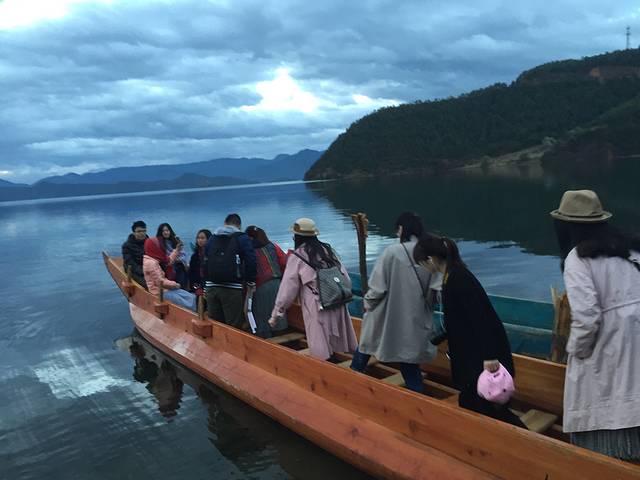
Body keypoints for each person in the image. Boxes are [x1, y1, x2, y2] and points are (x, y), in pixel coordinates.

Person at [550, 189, 640, 461]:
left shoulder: (578, 259)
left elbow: (587, 316)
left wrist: (576, 350)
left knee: (609, 412)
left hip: (612, 347)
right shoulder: (630, 250)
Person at [413, 234, 524, 427]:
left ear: (430, 259)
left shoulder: (458, 279)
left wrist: (490, 357)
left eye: (422, 263)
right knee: (472, 403)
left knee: (490, 409)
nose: (423, 268)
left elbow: (482, 319)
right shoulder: (451, 276)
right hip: (471, 358)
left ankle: (522, 439)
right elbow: (462, 318)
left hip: (480, 360)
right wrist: (442, 335)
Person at [350, 212, 439, 393]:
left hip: (387, 314)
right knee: (409, 361)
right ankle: (418, 396)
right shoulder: (430, 253)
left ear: (401, 229)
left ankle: (352, 381)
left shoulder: (392, 252)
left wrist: (367, 303)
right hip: (416, 318)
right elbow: (436, 293)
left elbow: (377, 288)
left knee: (366, 344)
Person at [268, 218, 357, 360]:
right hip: (336, 301)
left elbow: (287, 290)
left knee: (319, 343)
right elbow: (345, 279)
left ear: (297, 237)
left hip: (316, 305)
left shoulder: (297, 256)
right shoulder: (328, 250)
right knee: (334, 339)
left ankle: (322, 367)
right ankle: (336, 361)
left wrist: (276, 313)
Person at [205, 214, 257, 328]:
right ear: (239, 226)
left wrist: (205, 283)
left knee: (215, 324)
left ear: (225, 223)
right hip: (232, 288)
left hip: (211, 286)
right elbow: (251, 260)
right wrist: (251, 281)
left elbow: (204, 260)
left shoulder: (212, 238)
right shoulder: (242, 238)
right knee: (234, 325)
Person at [245, 225, 288, 338]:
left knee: (262, 320)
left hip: (259, 288)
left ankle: (266, 341)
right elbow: (284, 262)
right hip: (278, 285)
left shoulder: (248, 250)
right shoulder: (273, 246)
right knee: (278, 318)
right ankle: (284, 342)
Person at [143, 236, 196, 311]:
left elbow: (168, 261)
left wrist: (177, 250)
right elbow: (160, 282)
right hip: (159, 292)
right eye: (158, 246)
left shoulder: (154, 258)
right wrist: (175, 284)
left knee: (189, 296)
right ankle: (196, 312)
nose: (160, 248)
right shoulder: (151, 263)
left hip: (165, 289)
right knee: (186, 302)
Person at [157, 223, 189, 288]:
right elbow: (164, 258)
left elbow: (183, 253)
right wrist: (174, 258)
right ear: (160, 233)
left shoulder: (175, 241)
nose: (165, 232)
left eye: (167, 230)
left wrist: (180, 259)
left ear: (170, 231)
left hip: (179, 266)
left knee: (182, 269)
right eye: (163, 231)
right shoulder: (159, 244)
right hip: (168, 269)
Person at [122, 220, 148, 289]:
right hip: (133, 270)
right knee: (148, 284)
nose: (142, 233)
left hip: (148, 268)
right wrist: (143, 271)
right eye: (139, 231)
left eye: (144, 231)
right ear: (134, 232)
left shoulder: (149, 243)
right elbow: (130, 263)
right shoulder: (127, 246)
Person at [188, 229, 212, 296]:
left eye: (202, 238)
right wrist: (196, 287)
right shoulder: (195, 256)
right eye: (198, 238)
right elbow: (191, 274)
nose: (200, 240)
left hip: (209, 286)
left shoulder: (212, 255)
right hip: (197, 286)